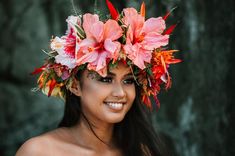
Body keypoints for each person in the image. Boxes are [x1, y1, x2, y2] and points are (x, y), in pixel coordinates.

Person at [16, 1, 181, 156]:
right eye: (106, 79)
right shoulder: (39, 151)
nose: (120, 93)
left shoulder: (142, 151)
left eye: (128, 80)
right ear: (75, 85)